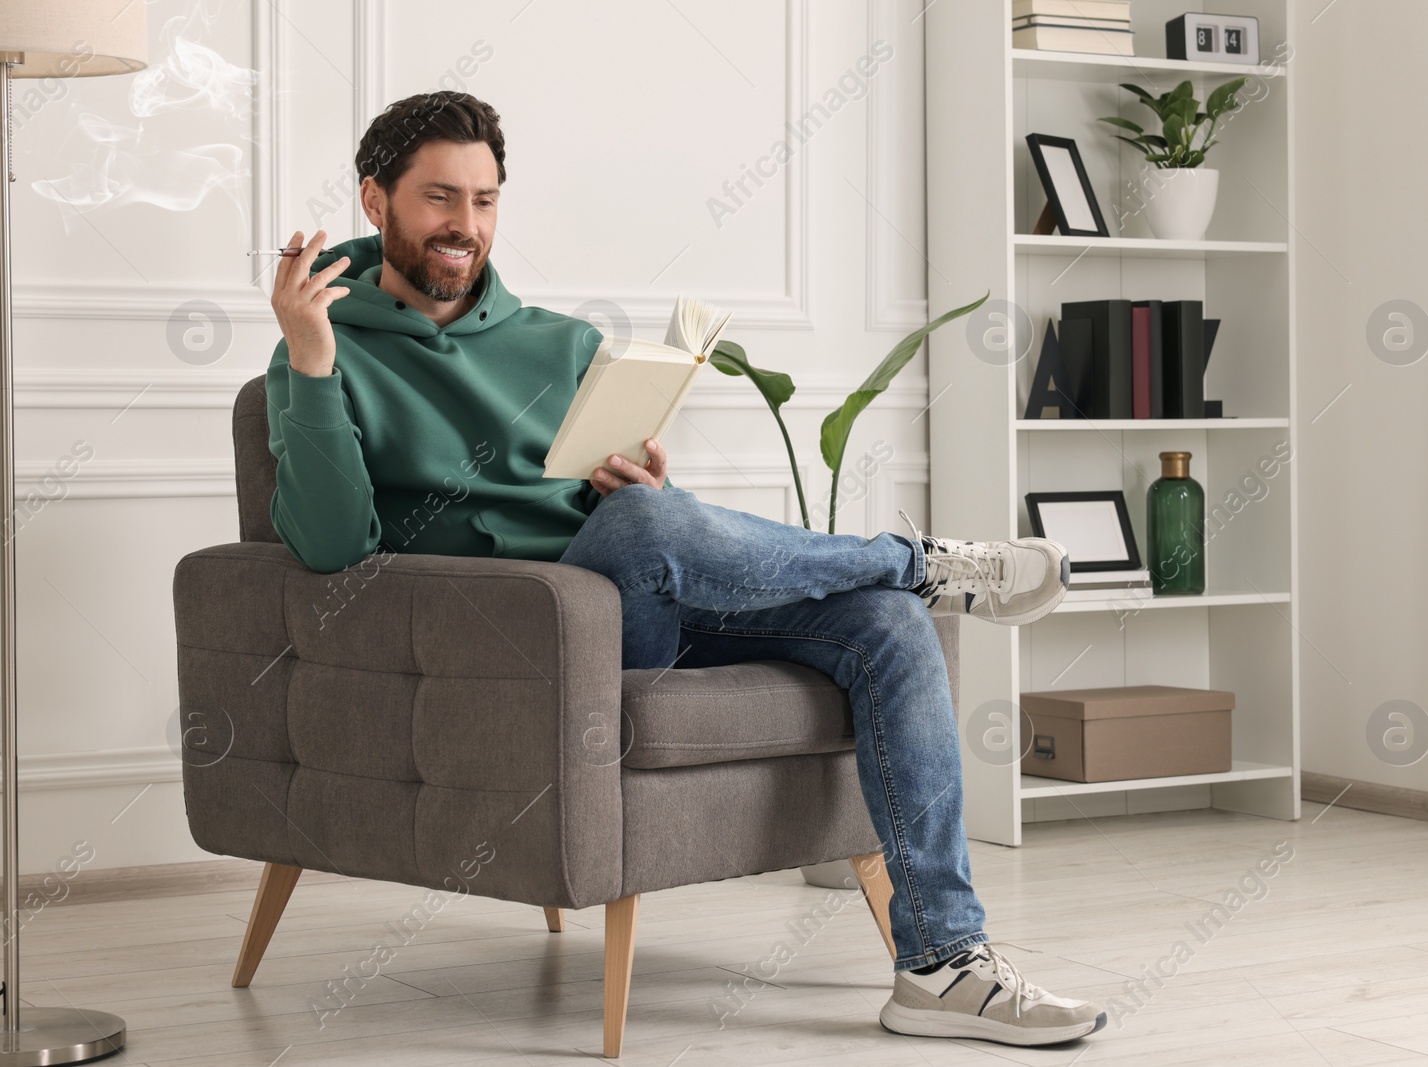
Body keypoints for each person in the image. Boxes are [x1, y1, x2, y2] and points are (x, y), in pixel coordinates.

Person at [264, 90, 1106, 1048]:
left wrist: (640, 482)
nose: (467, 226)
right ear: (376, 201)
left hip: (637, 607)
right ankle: (915, 560)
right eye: (440, 199)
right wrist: (312, 359)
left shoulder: (560, 340)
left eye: (486, 200)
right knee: (663, 540)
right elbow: (329, 548)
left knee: (888, 626)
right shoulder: (324, 344)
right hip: (511, 641)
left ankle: (941, 964)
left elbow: (618, 513)